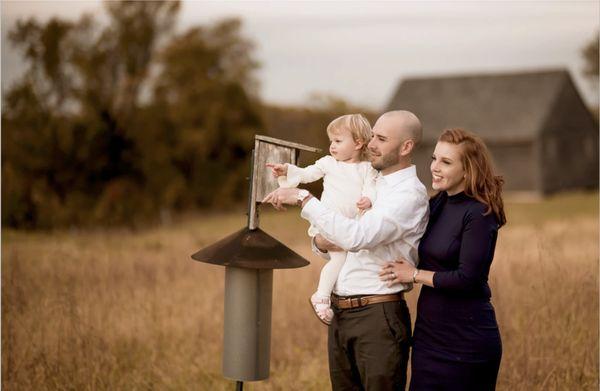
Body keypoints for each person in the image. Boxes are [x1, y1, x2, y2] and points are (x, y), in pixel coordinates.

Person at [262, 110, 429, 390]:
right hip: (342, 313)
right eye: (372, 135)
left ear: (406, 147)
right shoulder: (370, 181)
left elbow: (357, 237)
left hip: (377, 316)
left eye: (381, 138)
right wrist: (319, 243)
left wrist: (303, 197)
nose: (371, 143)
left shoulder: (407, 194)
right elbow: (336, 245)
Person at [380, 128, 505, 391]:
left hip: (467, 341)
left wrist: (414, 275)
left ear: (467, 170)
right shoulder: (438, 204)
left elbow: (467, 279)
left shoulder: (479, 213)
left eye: (446, 162)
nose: (435, 167)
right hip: (429, 337)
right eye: (434, 158)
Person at [267, 114, 377, 325]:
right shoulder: (328, 163)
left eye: (338, 141)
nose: (332, 146)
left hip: (351, 223)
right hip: (327, 221)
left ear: (358, 143)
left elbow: (371, 187)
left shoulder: (367, 168)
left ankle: (331, 295)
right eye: (331, 141)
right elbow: (308, 174)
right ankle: (321, 296)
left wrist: (368, 199)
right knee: (339, 258)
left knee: (344, 258)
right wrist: (288, 170)